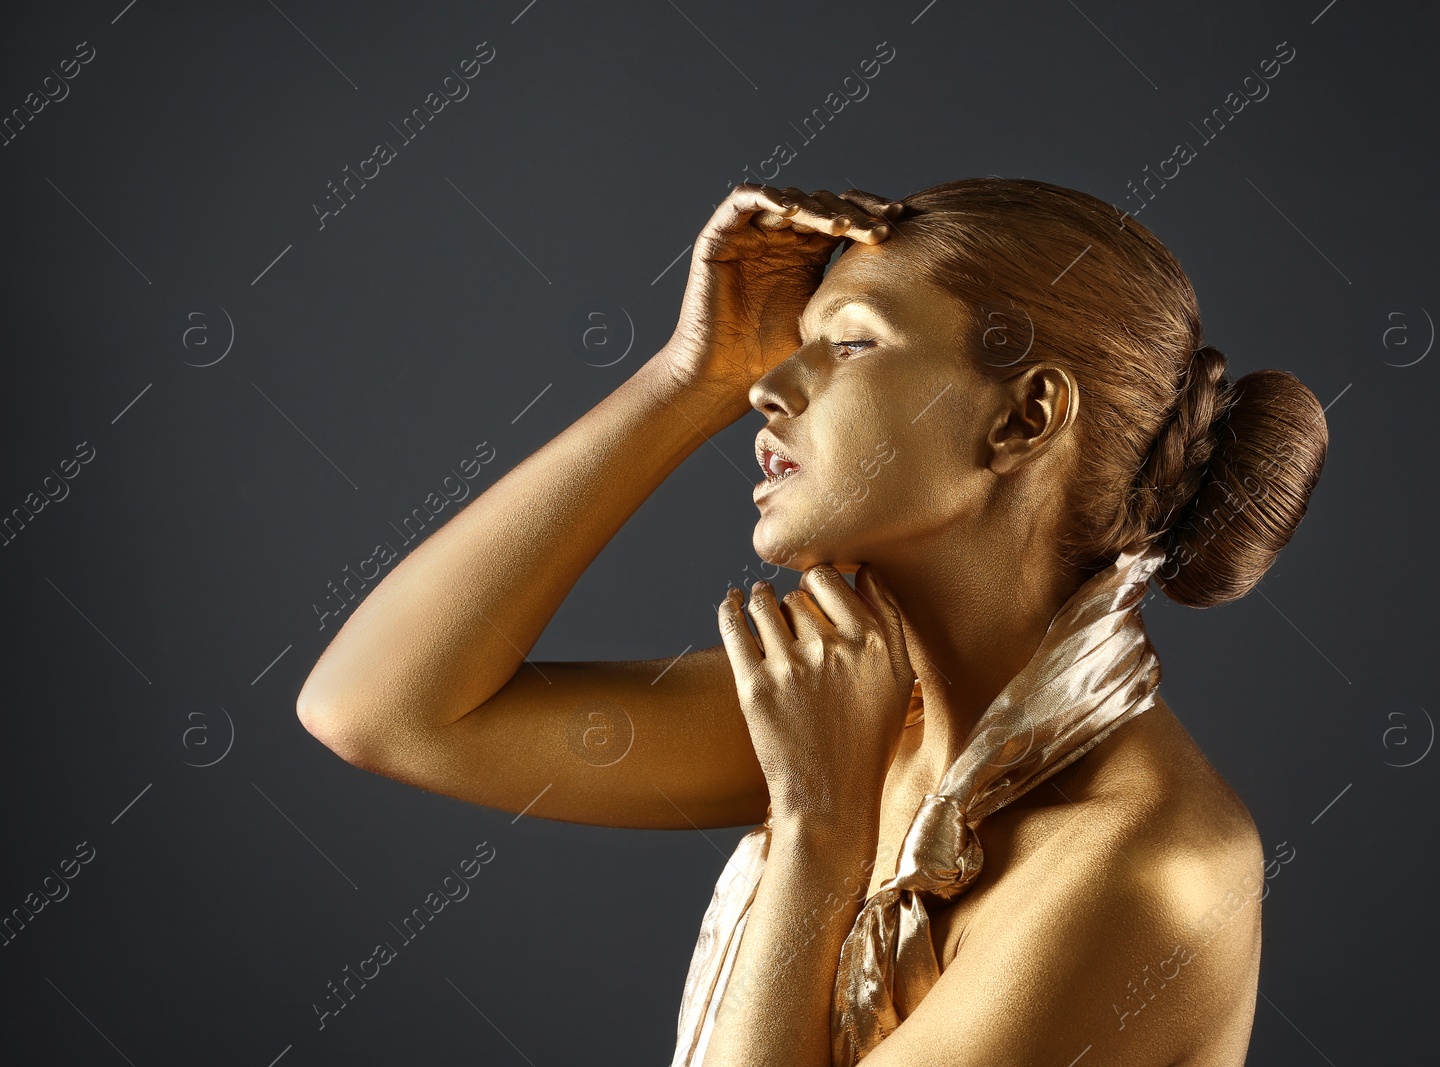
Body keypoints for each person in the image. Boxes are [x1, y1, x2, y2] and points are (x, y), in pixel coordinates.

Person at [296, 178, 1328, 1066]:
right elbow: (379, 708)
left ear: (1022, 417)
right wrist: (682, 377)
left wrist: (819, 831)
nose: (768, 388)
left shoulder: (1145, 863)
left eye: (849, 344)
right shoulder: (863, 711)